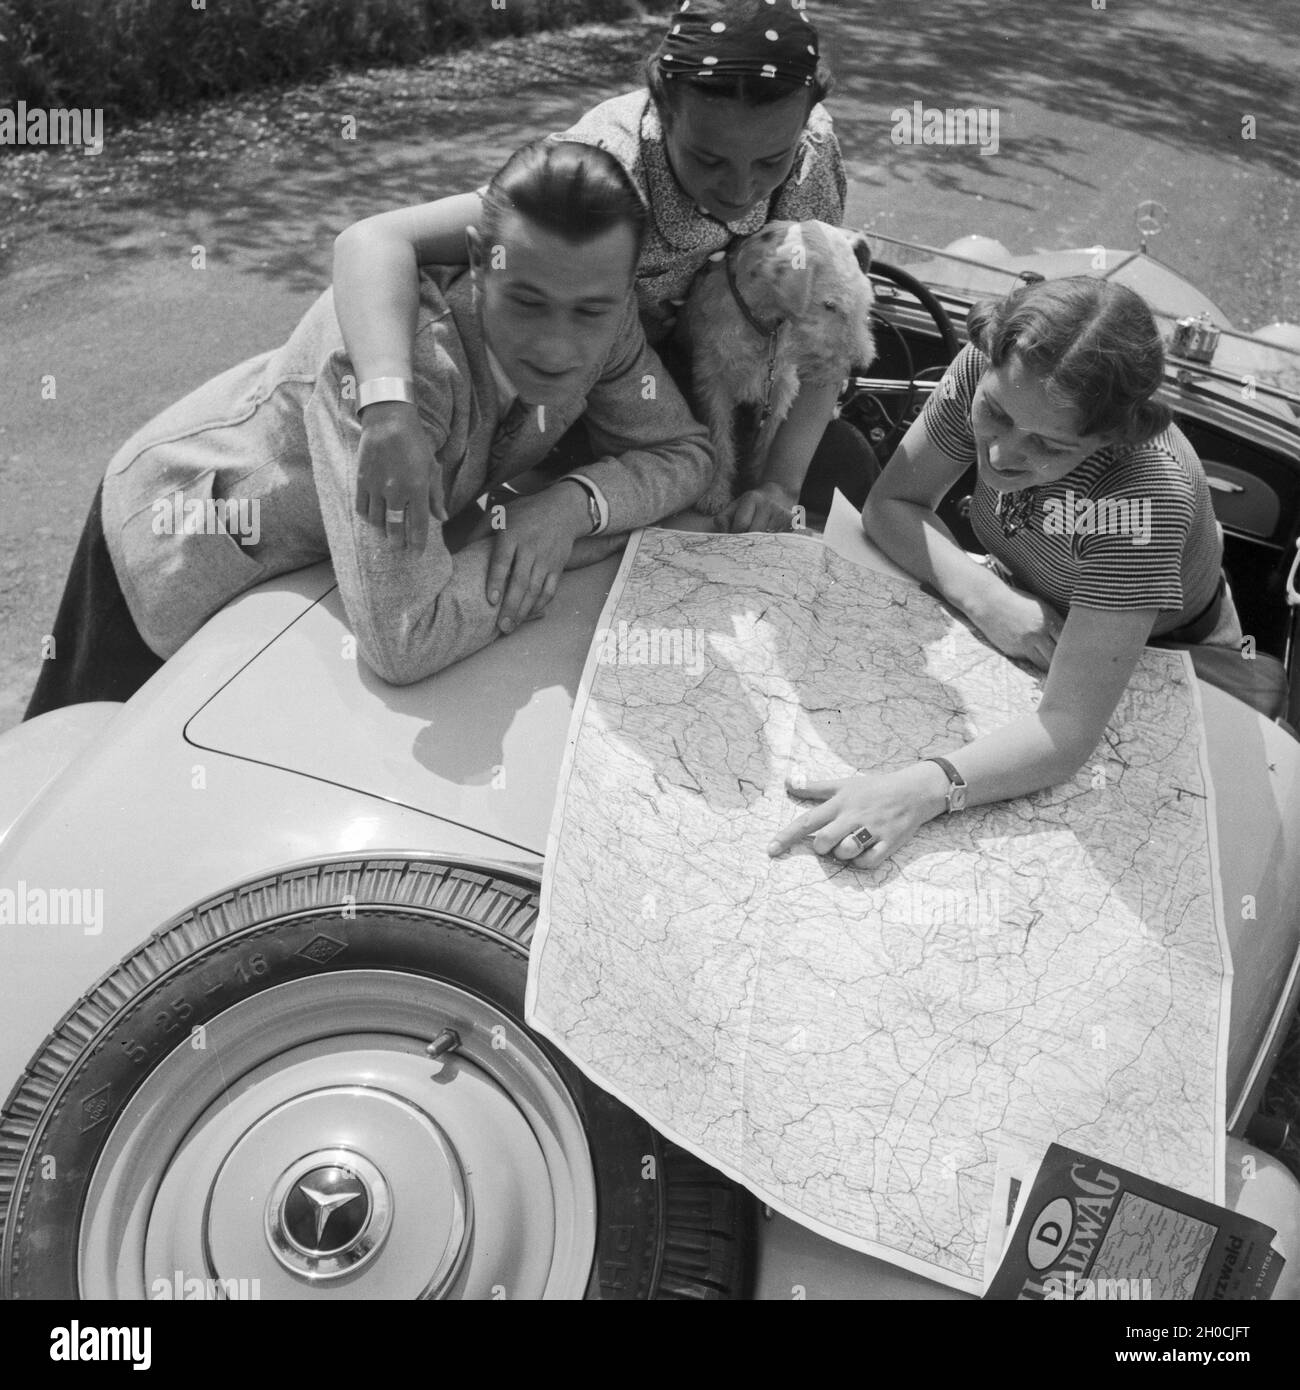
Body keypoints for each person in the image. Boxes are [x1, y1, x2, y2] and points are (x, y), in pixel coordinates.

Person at [23, 139, 712, 719]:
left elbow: (684, 453)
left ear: (626, 294)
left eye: (590, 312)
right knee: (75, 779)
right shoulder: (400, 372)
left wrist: (570, 509)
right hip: (180, 544)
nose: (560, 347)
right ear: (478, 262)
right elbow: (407, 636)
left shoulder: (602, 315)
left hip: (312, 583)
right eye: (528, 301)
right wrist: (568, 547)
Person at [334, 0, 875, 542]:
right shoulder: (604, 166)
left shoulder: (811, 158)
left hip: (724, 375)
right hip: (599, 389)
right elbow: (376, 239)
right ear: (663, 110)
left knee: (843, 465)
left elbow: (817, 334)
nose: (740, 191)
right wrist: (388, 411)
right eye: (709, 160)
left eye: (769, 162)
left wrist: (779, 486)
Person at [767, 275, 1246, 870]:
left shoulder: (1143, 496)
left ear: (1115, 436)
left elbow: (1068, 728)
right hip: (1019, 597)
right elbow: (892, 505)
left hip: (1161, 652)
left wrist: (920, 790)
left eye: (1049, 445)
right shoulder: (993, 367)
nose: (1001, 454)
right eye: (994, 414)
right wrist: (987, 597)